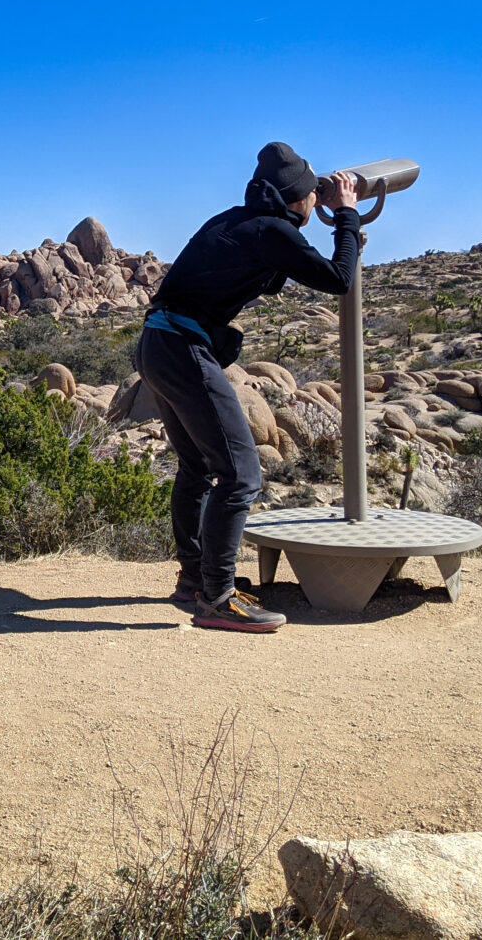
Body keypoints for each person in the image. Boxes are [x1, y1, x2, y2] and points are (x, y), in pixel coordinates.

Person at [137, 143, 360, 633]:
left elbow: (275, 273)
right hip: (182, 347)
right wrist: (346, 215)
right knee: (240, 474)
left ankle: (195, 580)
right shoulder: (270, 230)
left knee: (197, 467)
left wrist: (308, 211)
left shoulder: (242, 221)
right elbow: (339, 278)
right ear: (296, 197)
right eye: (310, 192)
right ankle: (217, 598)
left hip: (156, 342)